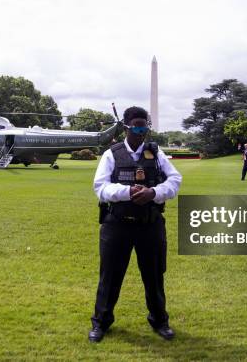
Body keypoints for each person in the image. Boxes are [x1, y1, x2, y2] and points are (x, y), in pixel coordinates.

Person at [89, 106, 182, 343]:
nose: (142, 132)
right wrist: (127, 192)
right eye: (138, 126)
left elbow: (175, 180)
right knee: (110, 276)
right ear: (126, 127)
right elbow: (100, 187)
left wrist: (154, 192)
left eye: (146, 126)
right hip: (117, 224)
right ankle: (101, 322)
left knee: (154, 276)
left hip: (150, 224)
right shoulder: (111, 154)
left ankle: (159, 321)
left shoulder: (156, 153)